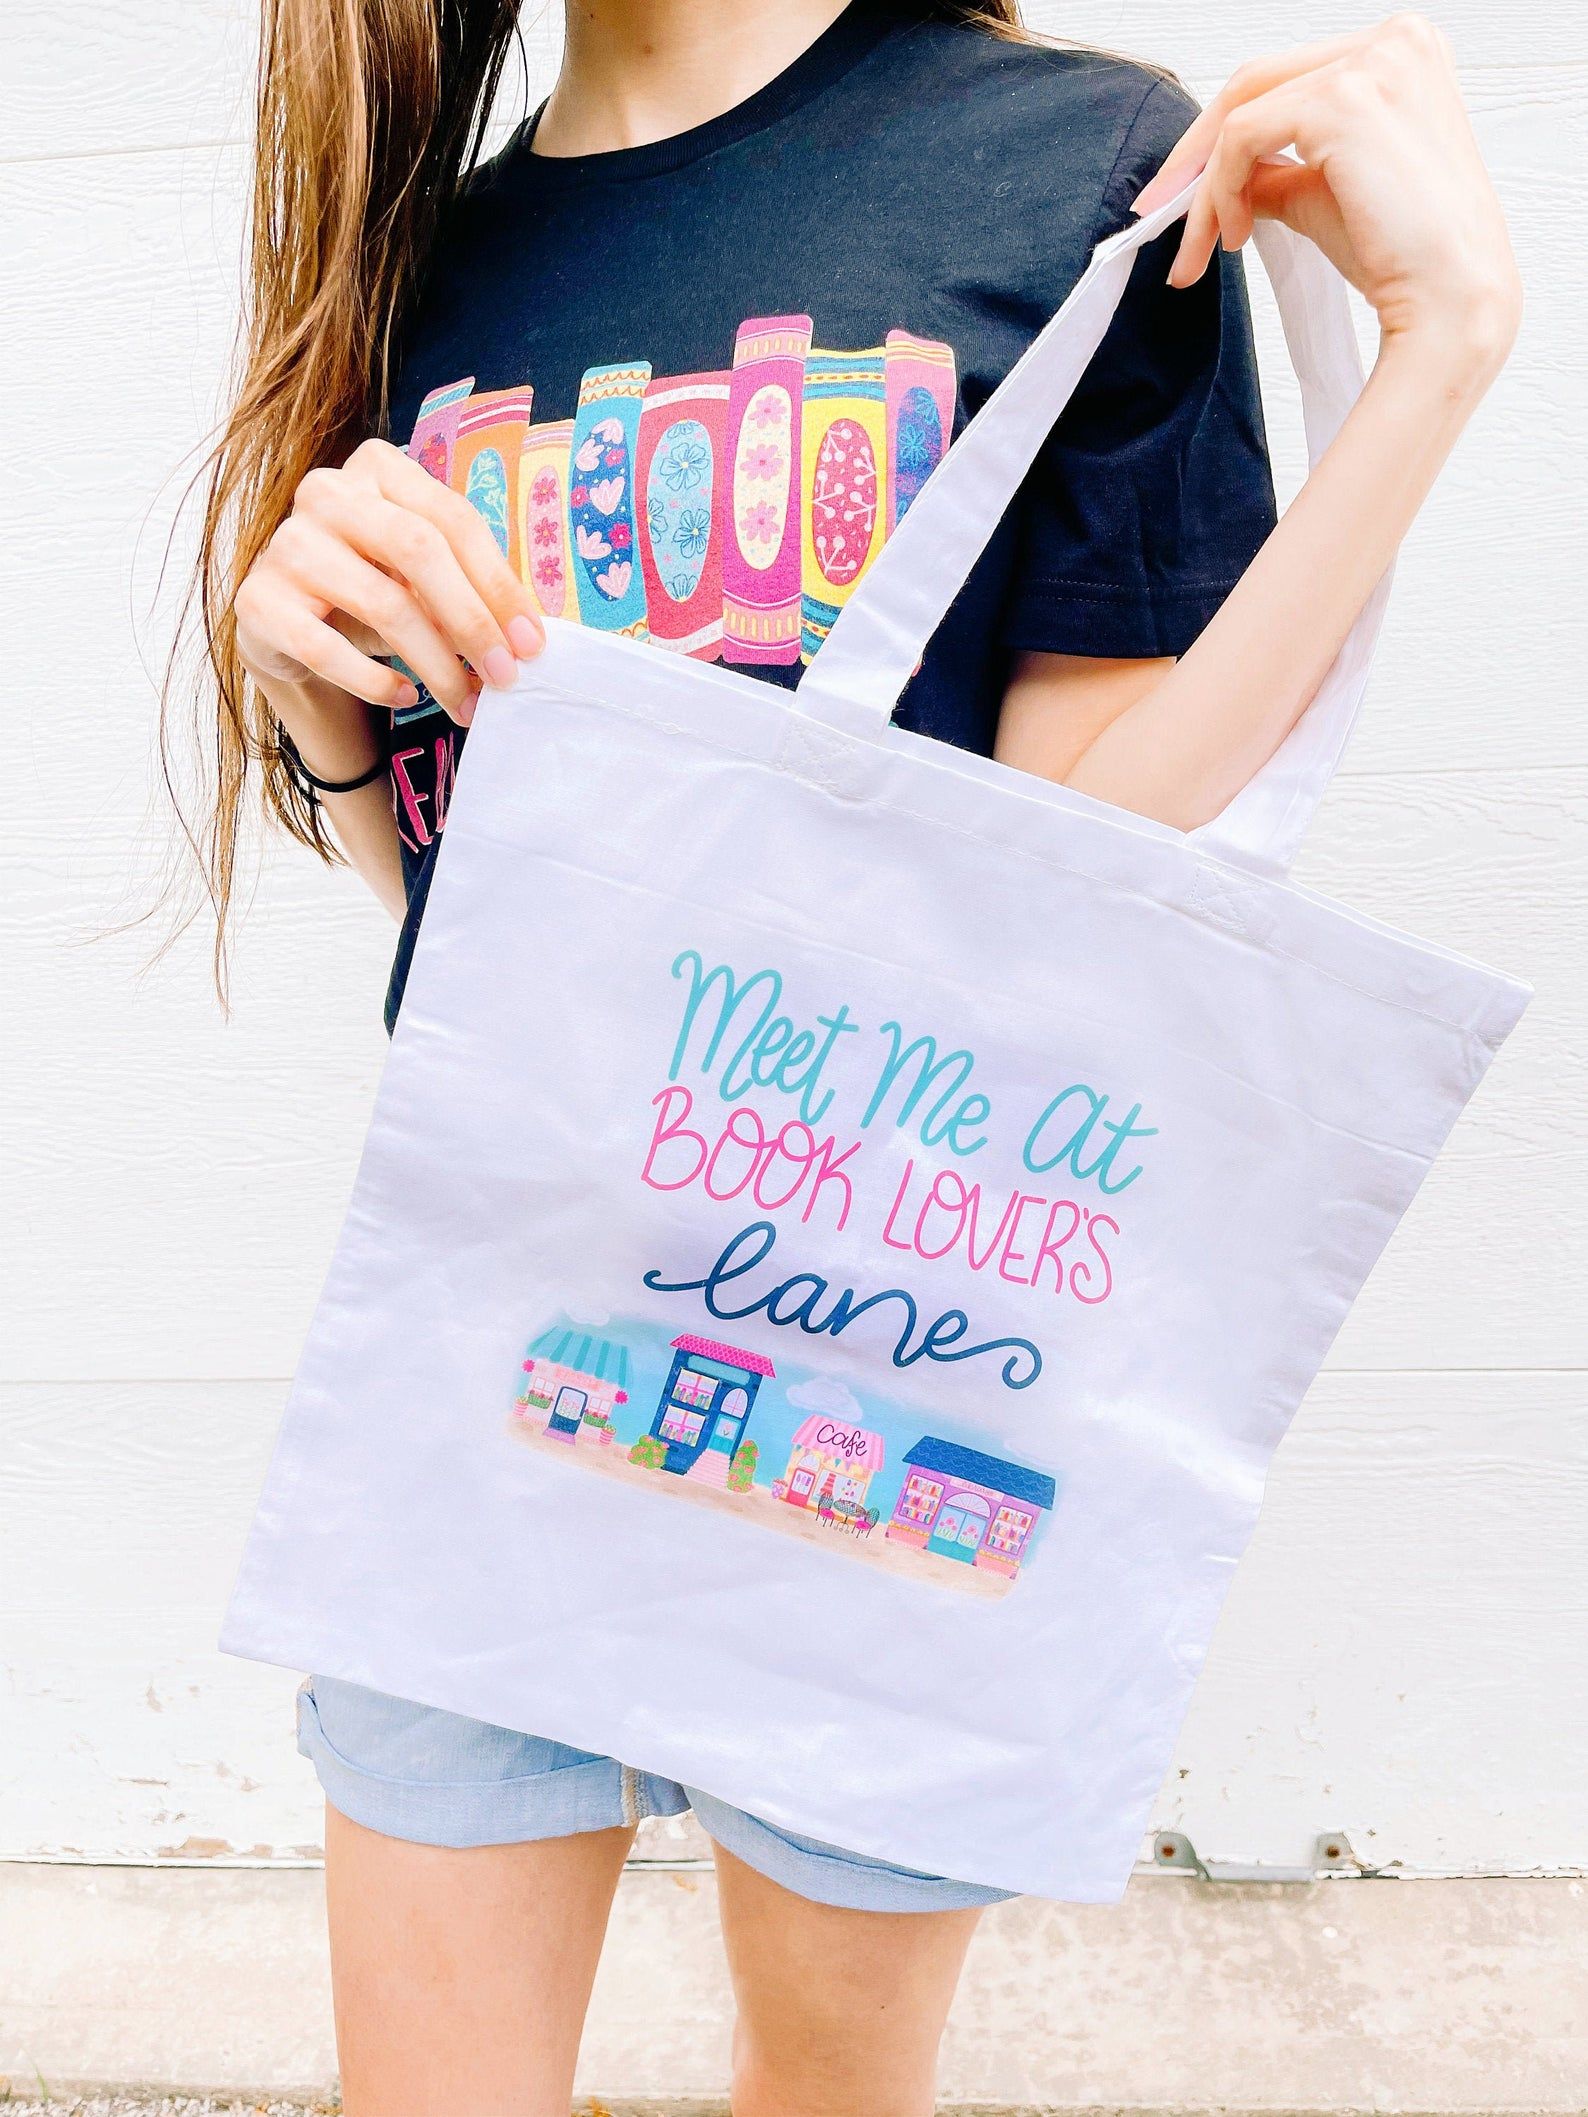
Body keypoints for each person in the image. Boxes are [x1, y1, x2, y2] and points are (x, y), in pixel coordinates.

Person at [184, 2, 1517, 2110]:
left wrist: (1430, 357)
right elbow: (463, 913)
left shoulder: (1075, 167)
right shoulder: (419, 251)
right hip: (493, 1337)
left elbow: (1091, 874)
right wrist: (326, 708)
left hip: (889, 1378)